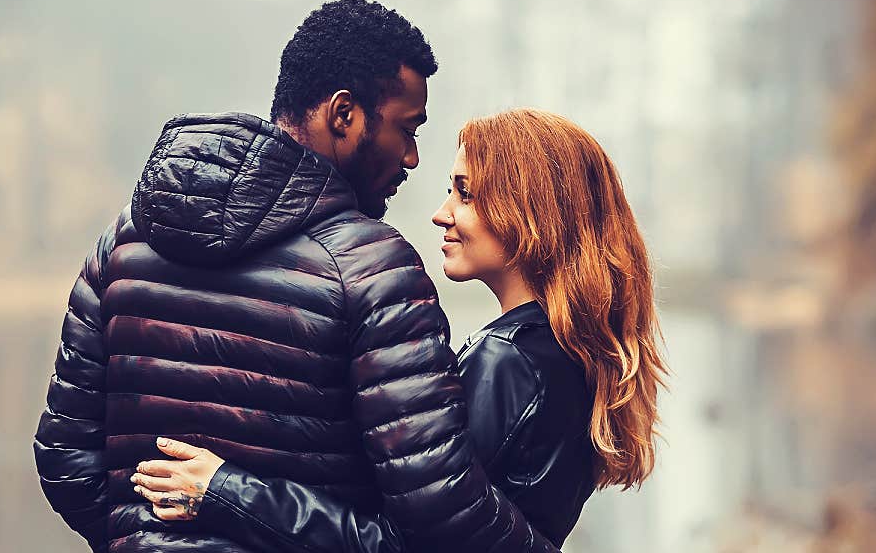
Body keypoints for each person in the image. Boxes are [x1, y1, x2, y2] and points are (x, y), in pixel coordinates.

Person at [33, 0, 563, 553]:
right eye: (407, 130)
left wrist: (141, 537)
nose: (410, 158)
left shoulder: (125, 239)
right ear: (344, 115)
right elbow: (438, 516)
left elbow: (65, 460)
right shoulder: (373, 268)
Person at [131, 108, 669, 551]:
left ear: (529, 212)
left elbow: (404, 547)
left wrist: (227, 491)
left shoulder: (512, 362)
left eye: (466, 193)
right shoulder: (560, 353)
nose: (441, 213)